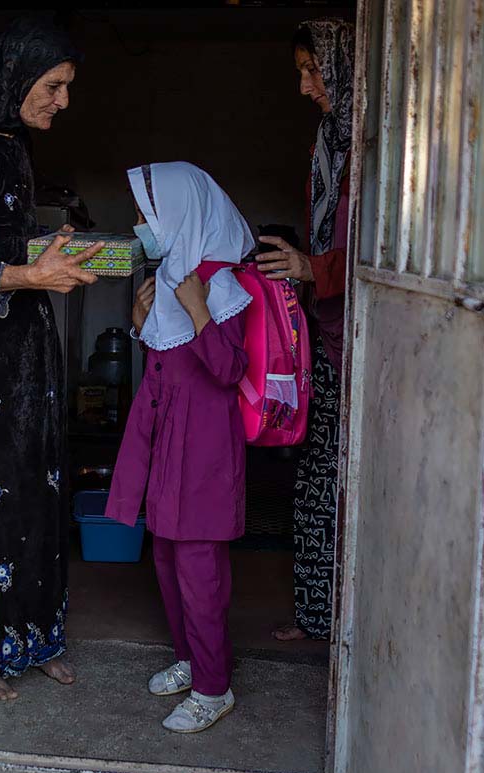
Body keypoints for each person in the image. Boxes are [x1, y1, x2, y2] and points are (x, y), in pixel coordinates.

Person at [0, 16, 108, 701]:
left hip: (30, 353)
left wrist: (56, 253)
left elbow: (5, 244)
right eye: (54, 86)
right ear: (17, 79)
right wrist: (28, 278)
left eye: (68, 88)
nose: (63, 101)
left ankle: (38, 636)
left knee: (44, 491)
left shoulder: (13, 149)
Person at [107, 162, 253, 733]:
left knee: (200, 567)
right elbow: (168, 367)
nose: (141, 223)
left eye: (148, 213)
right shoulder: (172, 276)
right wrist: (143, 325)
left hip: (207, 448)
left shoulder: (217, 282)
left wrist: (196, 310)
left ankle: (215, 689)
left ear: (179, 213)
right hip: (171, 439)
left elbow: (228, 369)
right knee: (166, 557)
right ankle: (191, 661)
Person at [256, 19, 356, 642]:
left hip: (363, 339)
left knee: (355, 481)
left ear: (342, 68)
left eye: (313, 70)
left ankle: (353, 630)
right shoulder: (330, 141)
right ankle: (318, 616)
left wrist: (310, 267)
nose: (304, 86)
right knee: (318, 476)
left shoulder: (373, 148)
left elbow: (376, 250)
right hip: (326, 332)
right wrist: (303, 271)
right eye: (302, 71)